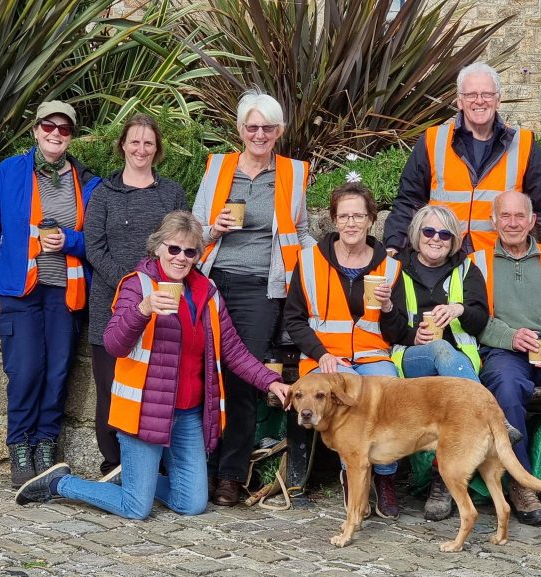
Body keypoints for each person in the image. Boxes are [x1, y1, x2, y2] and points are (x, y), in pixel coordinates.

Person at [13, 212, 291, 519]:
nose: (181, 258)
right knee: (136, 508)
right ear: (157, 248)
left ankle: (135, 479)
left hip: (188, 415)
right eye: (173, 248)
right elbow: (114, 343)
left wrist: (270, 381)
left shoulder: (207, 292)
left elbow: (233, 350)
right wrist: (144, 309)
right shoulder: (138, 285)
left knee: (192, 504)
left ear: (197, 255)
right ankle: (59, 483)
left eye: (189, 251)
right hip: (145, 412)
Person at [192, 89, 315, 507]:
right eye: (252, 126)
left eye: (267, 127)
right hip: (213, 280)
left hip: (262, 287)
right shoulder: (219, 166)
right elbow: (194, 227)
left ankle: (230, 474)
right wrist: (213, 227)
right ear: (240, 129)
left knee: (243, 377)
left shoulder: (294, 173)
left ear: (279, 131)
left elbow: (299, 233)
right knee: (203, 373)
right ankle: (197, 466)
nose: (259, 133)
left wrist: (328, 262)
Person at [0, 101, 101, 488]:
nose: (55, 134)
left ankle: (46, 445)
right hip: (19, 290)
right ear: (35, 130)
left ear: (72, 136)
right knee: (25, 370)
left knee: (58, 372)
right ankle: (20, 448)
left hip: (65, 291)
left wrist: (70, 240)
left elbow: (94, 240)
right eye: (49, 126)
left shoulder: (87, 180)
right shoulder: (10, 172)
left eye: (64, 129)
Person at [284, 182, 407, 519]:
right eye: (344, 216)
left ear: (371, 220)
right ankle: (353, 479)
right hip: (325, 357)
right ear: (334, 220)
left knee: (389, 392)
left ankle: (385, 479)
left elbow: (399, 333)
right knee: (346, 391)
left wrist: (387, 309)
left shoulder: (391, 267)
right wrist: (321, 353)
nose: (351, 223)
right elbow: (293, 320)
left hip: (373, 355)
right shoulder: (308, 261)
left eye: (359, 216)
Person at [472, 190, 541, 527]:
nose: (512, 223)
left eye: (520, 216)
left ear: (532, 221)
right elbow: (475, 319)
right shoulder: (477, 262)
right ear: (493, 221)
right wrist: (509, 337)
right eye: (504, 216)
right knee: (505, 387)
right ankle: (520, 483)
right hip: (504, 350)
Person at [85, 114, 187, 477]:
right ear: (123, 145)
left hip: (162, 306)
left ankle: (152, 468)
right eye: (135, 141)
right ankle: (113, 464)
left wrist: (154, 285)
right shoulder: (103, 193)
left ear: (156, 149)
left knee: (153, 391)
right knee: (111, 390)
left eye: (148, 143)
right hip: (109, 307)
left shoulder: (171, 193)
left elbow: (181, 246)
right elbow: (94, 248)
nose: (141, 149)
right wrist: (132, 282)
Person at [384, 62, 541, 255]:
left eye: (487, 94)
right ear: (459, 101)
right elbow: (409, 201)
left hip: (498, 260)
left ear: (498, 100)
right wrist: (394, 246)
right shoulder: (433, 140)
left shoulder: (523, 144)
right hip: (443, 258)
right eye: (471, 95)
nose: (479, 100)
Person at [382, 205, 490, 521]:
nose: (436, 239)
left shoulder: (467, 269)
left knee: (449, 401)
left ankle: (442, 480)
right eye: (429, 231)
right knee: (439, 349)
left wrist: (460, 310)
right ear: (417, 235)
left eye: (445, 234)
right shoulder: (397, 269)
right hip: (412, 360)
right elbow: (389, 328)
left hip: (457, 367)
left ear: (454, 240)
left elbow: (481, 320)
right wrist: (412, 333)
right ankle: (486, 417)